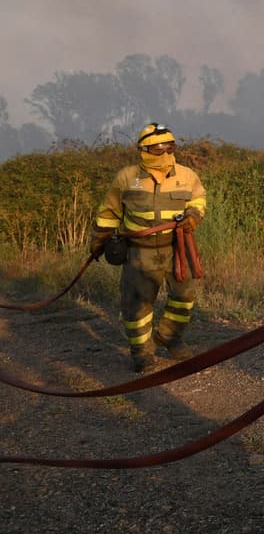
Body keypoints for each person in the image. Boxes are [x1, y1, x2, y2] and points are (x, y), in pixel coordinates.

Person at [91, 123, 207, 373]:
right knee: (137, 304)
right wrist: (100, 241)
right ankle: (142, 352)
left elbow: (198, 199)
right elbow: (110, 212)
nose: (164, 152)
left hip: (177, 248)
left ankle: (169, 337)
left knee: (184, 297)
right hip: (139, 251)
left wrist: (193, 214)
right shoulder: (126, 177)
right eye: (157, 148)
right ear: (144, 149)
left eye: (169, 146)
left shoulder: (186, 175)